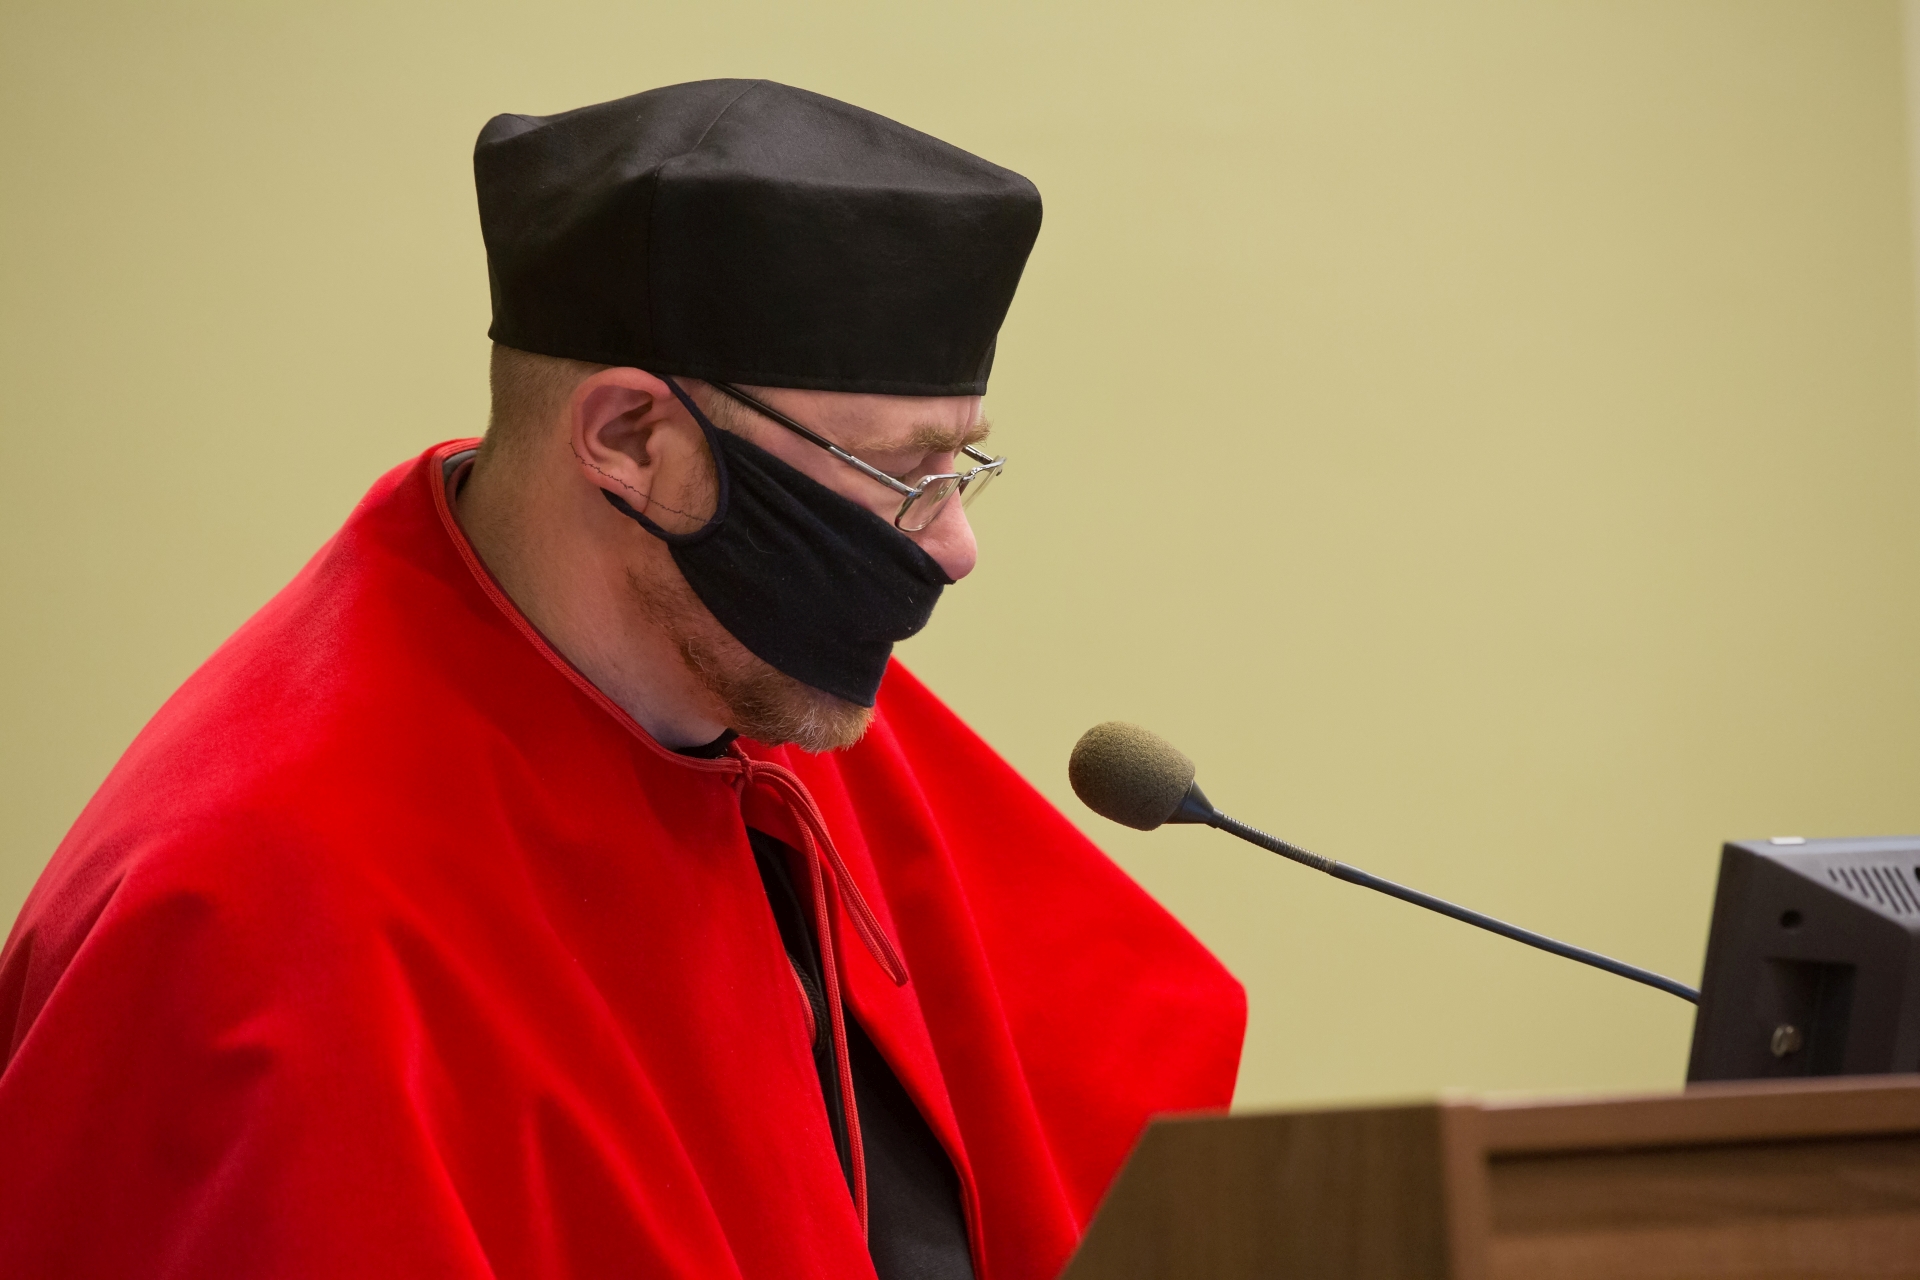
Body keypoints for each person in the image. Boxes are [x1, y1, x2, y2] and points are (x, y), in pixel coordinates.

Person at [0, 80, 1244, 1279]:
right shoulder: (260, 915)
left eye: (961, 466)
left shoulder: (755, 680)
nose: (956, 548)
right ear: (629, 438)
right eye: (904, 475)